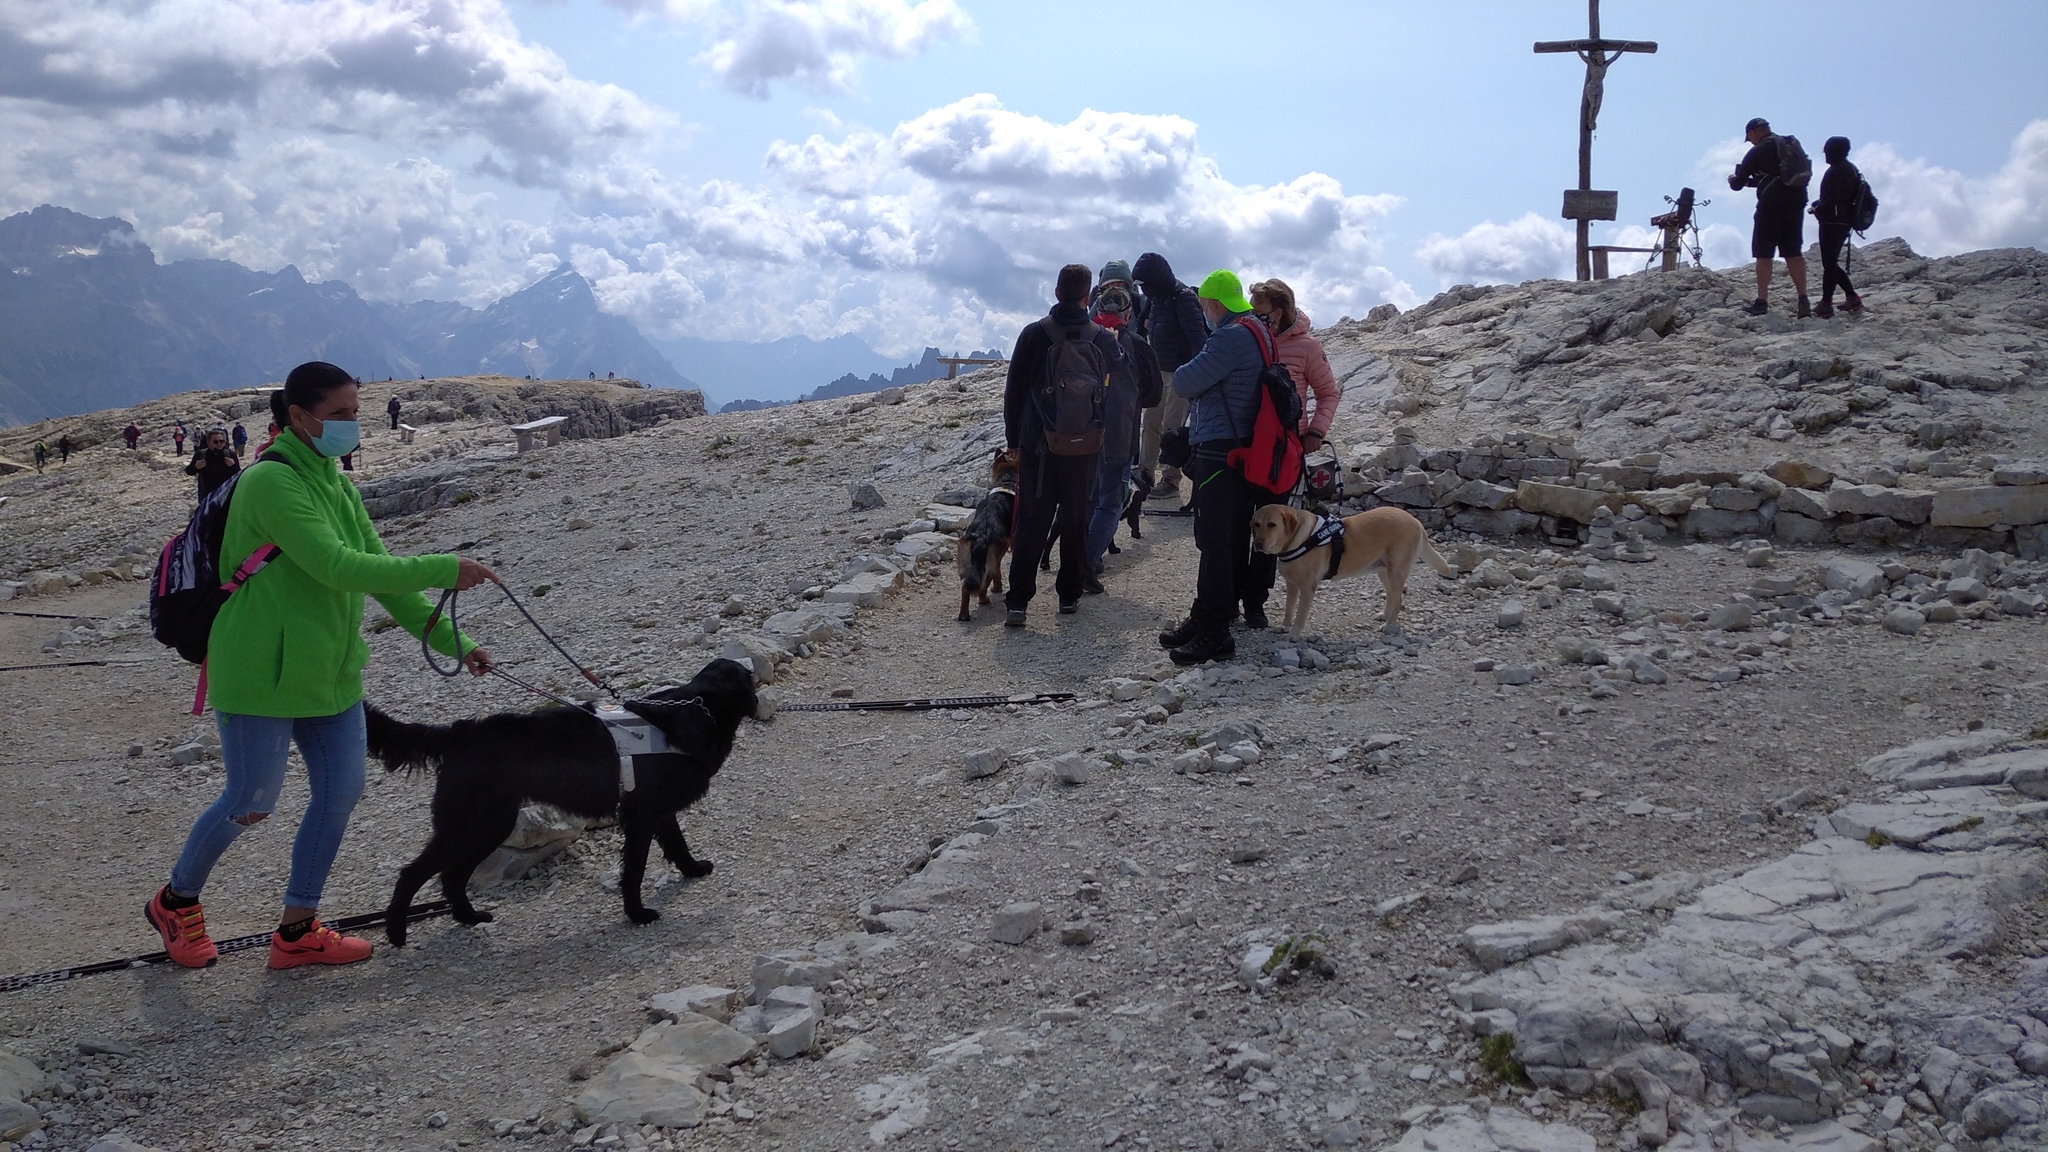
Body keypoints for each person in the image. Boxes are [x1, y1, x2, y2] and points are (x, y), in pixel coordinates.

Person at [144, 361, 496, 972]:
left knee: (339, 794)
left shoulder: (336, 482)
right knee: (251, 799)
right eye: (339, 416)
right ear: (298, 417)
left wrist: (454, 642)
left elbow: (381, 574)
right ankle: (175, 901)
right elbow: (337, 567)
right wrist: (443, 567)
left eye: (356, 413)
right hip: (258, 672)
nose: (352, 426)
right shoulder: (272, 485)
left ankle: (298, 929)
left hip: (329, 674)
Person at [1001, 264, 1124, 625]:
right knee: (1075, 517)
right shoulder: (1101, 338)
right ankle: (1068, 595)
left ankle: (1018, 602)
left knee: (1032, 520)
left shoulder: (1033, 335)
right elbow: (1121, 373)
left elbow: (1014, 394)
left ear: (1056, 291)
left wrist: (1015, 441)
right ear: (1089, 296)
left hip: (1038, 443)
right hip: (1084, 445)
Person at [1158, 270, 1269, 665]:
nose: (1205, 311)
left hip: (1220, 449)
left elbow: (1185, 382)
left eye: (1205, 305)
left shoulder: (1229, 336)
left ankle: (1215, 630)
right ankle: (1205, 613)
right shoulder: (1257, 329)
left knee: (1215, 541)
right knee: (1230, 537)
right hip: (1242, 447)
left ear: (1213, 304)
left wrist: (1197, 362)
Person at [1083, 261, 1163, 584]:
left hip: (1080, 434)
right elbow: (1155, 394)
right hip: (1120, 434)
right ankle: (1084, 562)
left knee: (1088, 498)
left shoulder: (1079, 339)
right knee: (1112, 502)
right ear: (1131, 308)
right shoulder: (1139, 347)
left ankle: (1085, 557)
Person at [1132, 253, 1214, 501]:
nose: (1144, 288)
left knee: (1172, 424)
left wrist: (1194, 374)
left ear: (1156, 278)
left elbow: (1197, 338)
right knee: (1150, 423)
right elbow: (1140, 325)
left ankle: (1171, 479)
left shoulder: (1184, 298)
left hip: (1181, 372)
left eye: (1146, 282)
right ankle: (1145, 474)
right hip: (1158, 371)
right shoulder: (1156, 298)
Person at [1728, 117, 1812, 318]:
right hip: (1796, 202)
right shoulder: (1788, 144)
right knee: (1793, 251)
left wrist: (1734, 180)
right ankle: (1803, 298)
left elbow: (1737, 184)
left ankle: (1762, 301)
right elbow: (1777, 178)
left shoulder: (1757, 151)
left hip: (1771, 206)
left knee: (1764, 253)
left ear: (1752, 133)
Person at [1250, 280, 1339, 456]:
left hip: (1288, 444)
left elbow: (1328, 393)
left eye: (1257, 313)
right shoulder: (1249, 340)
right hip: (1249, 440)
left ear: (1277, 314)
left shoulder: (1308, 347)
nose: (1252, 317)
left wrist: (1316, 431)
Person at [1811, 137, 1866, 319]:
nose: (1825, 155)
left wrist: (1816, 208)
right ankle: (1852, 297)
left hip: (1831, 222)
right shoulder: (1852, 170)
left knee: (1829, 264)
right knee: (1831, 263)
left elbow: (1831, 200)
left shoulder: (1834, 172)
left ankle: (1827, 303)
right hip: (1845, 221)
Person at [185, 427, 241, 501]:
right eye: (215, 442)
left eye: (222, 441)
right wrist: (196, 467)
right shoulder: (201, 455)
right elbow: (189, 471)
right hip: (206, 495)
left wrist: (233, 466)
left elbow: (239, 474)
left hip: (226, 494)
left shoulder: (230, 454)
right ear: (208, 443)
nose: (219, 444)